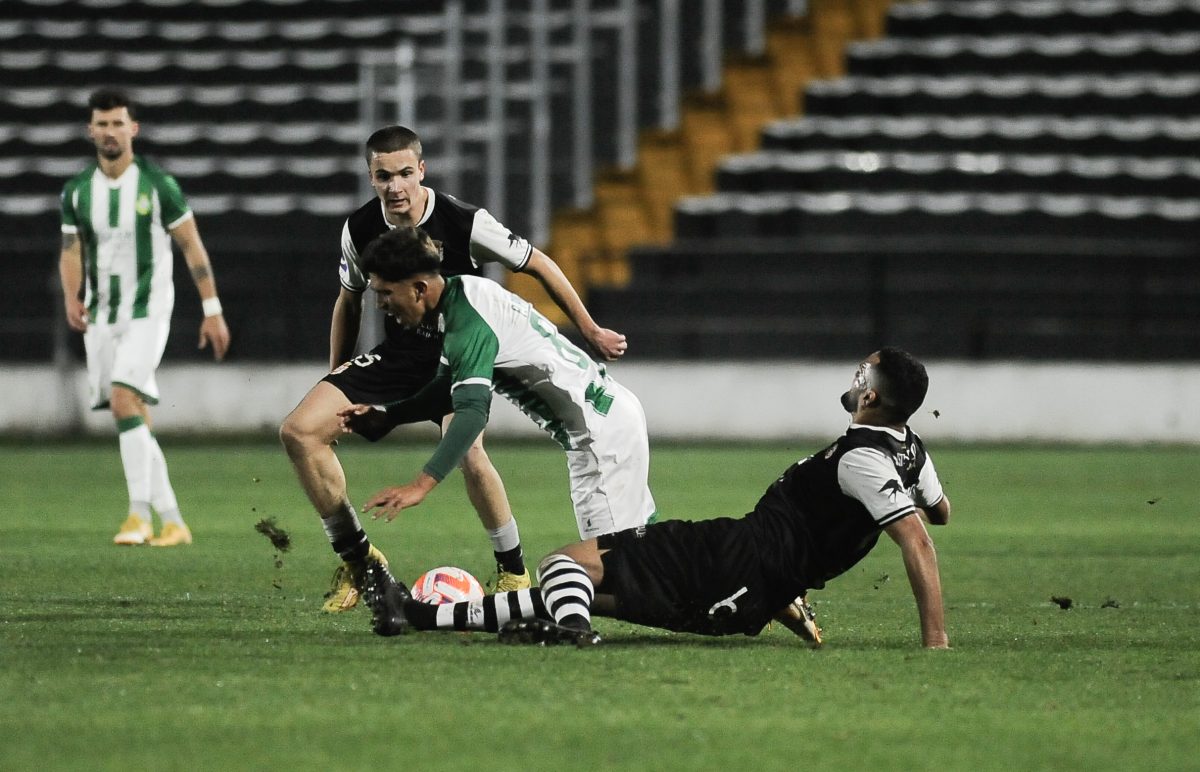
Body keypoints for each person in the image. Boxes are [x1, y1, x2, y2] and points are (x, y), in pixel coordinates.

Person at [362, 348, 952, 650]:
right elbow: (939, 512)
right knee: (577, 592)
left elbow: (920, 541)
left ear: (872, 397)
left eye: (861, 374)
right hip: (747, 595)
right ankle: (418, 615)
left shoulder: (863, 460)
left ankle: (573, 636)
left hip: (732, 559)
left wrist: (935, 644)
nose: (853, 380)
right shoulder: (910, 453)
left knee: (565, 563)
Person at [279, 125, 628, 613]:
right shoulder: (358, 229)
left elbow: (537, 262)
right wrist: (334, 378)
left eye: (405, 173)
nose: (395, 186)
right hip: (399, 353)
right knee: (298, 431)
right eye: (384, 176)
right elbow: (348, 302)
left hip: (458, 350)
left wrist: (588, 329)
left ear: (422, 170)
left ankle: (512, 570)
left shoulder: (464, 221)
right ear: (370, 177)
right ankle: (362, 563)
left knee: (469, 451)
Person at [337, 224, 658, 544]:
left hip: (601, 440)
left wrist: (420, 485)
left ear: (419, 289)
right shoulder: (466, 292)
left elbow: (473, 413)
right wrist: (388, 415)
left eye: (385, 293)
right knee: (638, 555)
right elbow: (444, 390)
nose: (380, 305)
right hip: (609, 416)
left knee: (612, 569)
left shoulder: (467, 326)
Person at [58, 88, 231, 547]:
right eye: (102, 123)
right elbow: (71, 249)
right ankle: (173, 520)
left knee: (121, 399)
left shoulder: (157, 185)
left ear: (132, 128)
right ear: (90, 130)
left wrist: (212, 309)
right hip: (102, 316)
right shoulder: (77, 192)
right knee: (132, 413)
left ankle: (137, 515)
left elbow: (191, 245)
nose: (109, 131)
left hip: (148, 311)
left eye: (118, 123)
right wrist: (71, 295)